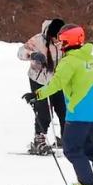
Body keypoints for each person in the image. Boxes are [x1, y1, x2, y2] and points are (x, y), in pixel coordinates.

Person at [29, 25, 93, 185]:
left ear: (69, 41)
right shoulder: (91, 60)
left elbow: (56, 84)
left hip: (77, 114)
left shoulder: (68, 62)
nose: (59, 44)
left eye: (62, 40)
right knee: (89, 147)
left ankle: (87, 184)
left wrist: (37, 95)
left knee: (72, 149)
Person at [17, 18, 67, 155]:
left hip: (57, 80)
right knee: (43, 109)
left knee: (63, 108)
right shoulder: (37, 40)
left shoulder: (63, 41)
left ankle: (67, 137)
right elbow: (20, 52)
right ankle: (39, 139)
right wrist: (32, 54)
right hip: (38, 79)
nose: (56, 39)